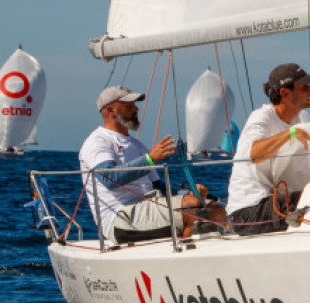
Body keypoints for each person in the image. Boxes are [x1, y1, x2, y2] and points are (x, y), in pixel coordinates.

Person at [79, 86, 227, 243]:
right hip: (122, 217)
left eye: (135, 105)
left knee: (215, 210)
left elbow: (158, 187)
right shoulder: (98, 141)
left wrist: (187, 194)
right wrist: (149, 159)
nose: (136, 109)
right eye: (129, 105)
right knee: (193, 209)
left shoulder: (137, 145)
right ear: (110, 110)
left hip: (150, 206)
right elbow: (108, 178)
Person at [226, 63, 310, 236]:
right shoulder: (261, 118)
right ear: (285, 93)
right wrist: (289, 134)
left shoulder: (295, 120)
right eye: (304, 86)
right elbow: (254, 154)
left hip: (270, 205)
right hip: (247, 213)